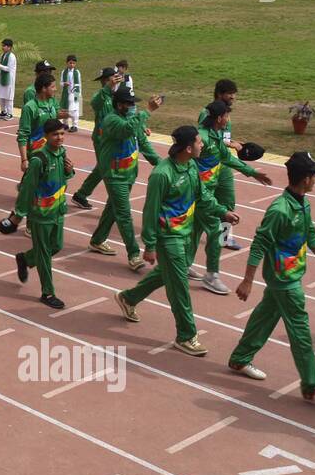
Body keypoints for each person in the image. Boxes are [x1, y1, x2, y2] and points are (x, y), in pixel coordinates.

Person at [228, 152, 315, 406]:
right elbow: (259, 244)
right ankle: (311, 386)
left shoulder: (302, 203)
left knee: (265, 317)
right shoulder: (280, 210)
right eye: (314, 174)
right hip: (285, 282)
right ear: (305, 179)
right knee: (300, 332)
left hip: (288, 278)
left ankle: (240, 357)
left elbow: (311, 236)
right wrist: (247, 280)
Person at [114, 125, 240, 356]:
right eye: (199, 142)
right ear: (188, 147)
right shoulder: (162, 174)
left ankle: (128, 298)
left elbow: (203, 197)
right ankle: (186, 336)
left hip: (185, 234)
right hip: (167, 238)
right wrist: (150, 245)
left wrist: (223, 212)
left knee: (167, 274)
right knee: (180, 287)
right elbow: (150, 212)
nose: (203, 145)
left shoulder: (191, 166)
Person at [190, 100, 272, 293]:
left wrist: (252, 173)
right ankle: (211, 275)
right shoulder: (201, 137)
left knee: (195, 227)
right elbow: (185, 161)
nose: (229, 119)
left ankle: (183, 264)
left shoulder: (216, 135)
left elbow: (225, 158)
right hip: (200, 193)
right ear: (219, 118)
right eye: (227, 115)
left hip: (209, 190)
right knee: (217, 230)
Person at [87, 87, 161, 273]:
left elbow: (142, 142)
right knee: (124, 214)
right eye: (129, 104)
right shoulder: (111, 120)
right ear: (119, 105)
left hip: (128, 174)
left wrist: (159, 163)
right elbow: (127, 130)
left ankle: (96, 240)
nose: (132, 106)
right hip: (114, 175)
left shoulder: (131, 119)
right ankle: (133, 254)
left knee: (113, 207)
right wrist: (148, 111)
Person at [5, 118, 74, 309]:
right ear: (46, 136)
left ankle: (26, 258)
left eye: (62, 134)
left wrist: (70, 171)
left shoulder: (62, 153)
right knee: (44, 254)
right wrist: (18, 215)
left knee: (56, 246)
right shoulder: (38, 159)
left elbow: (64, 177)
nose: (60, 138)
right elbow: (27, 188)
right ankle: (48, 292)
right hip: (41, 214)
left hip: (58, 211)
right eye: (55, 134)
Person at [197, 79, 247, 250]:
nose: (233, 97)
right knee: (203, 202)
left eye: (234, 93)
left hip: (223, 165)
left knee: (228, 200)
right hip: (209, 166)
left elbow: (222, 138)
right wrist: (229, 145)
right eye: (230, 93)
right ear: (219, 94)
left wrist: (231, 142)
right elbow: (206, 138)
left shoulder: (226, 112)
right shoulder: (207, 113)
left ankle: (225, 238)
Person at [72, 66, 122, 210]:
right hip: (101, 139)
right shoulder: (100, 96)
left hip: (113, 139)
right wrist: (108, 87)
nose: (106, 82)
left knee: (102, 168)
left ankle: (81, 195)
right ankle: (115, 201)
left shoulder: (117, 95)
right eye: (106, 80)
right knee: (106, 168)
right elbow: (95, 103)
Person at [0, 38, 17, 120]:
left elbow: (8, 69)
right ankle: (3, 112)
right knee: (1, 96)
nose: (2, 47)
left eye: (4, 46)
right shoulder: (3, 55)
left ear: (9, 47)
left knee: (9, 97)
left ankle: (10, 113)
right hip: (2, 78)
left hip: (9, 79)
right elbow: (1, 67)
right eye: (2, 46)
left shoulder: (11, 57)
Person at [60, 55, 82, 132]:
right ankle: (65, 124)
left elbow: (79, 83)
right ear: (67, 63)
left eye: (73, 63)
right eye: (70, 63)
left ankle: (75, 125)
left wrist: (79, 94)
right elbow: (61, 82)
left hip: (75, 92)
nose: (72, 65)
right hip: (66, 92)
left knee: (74, 109)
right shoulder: (64, 72)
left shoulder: (77, 72)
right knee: (65, 108)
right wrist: (64, 84)